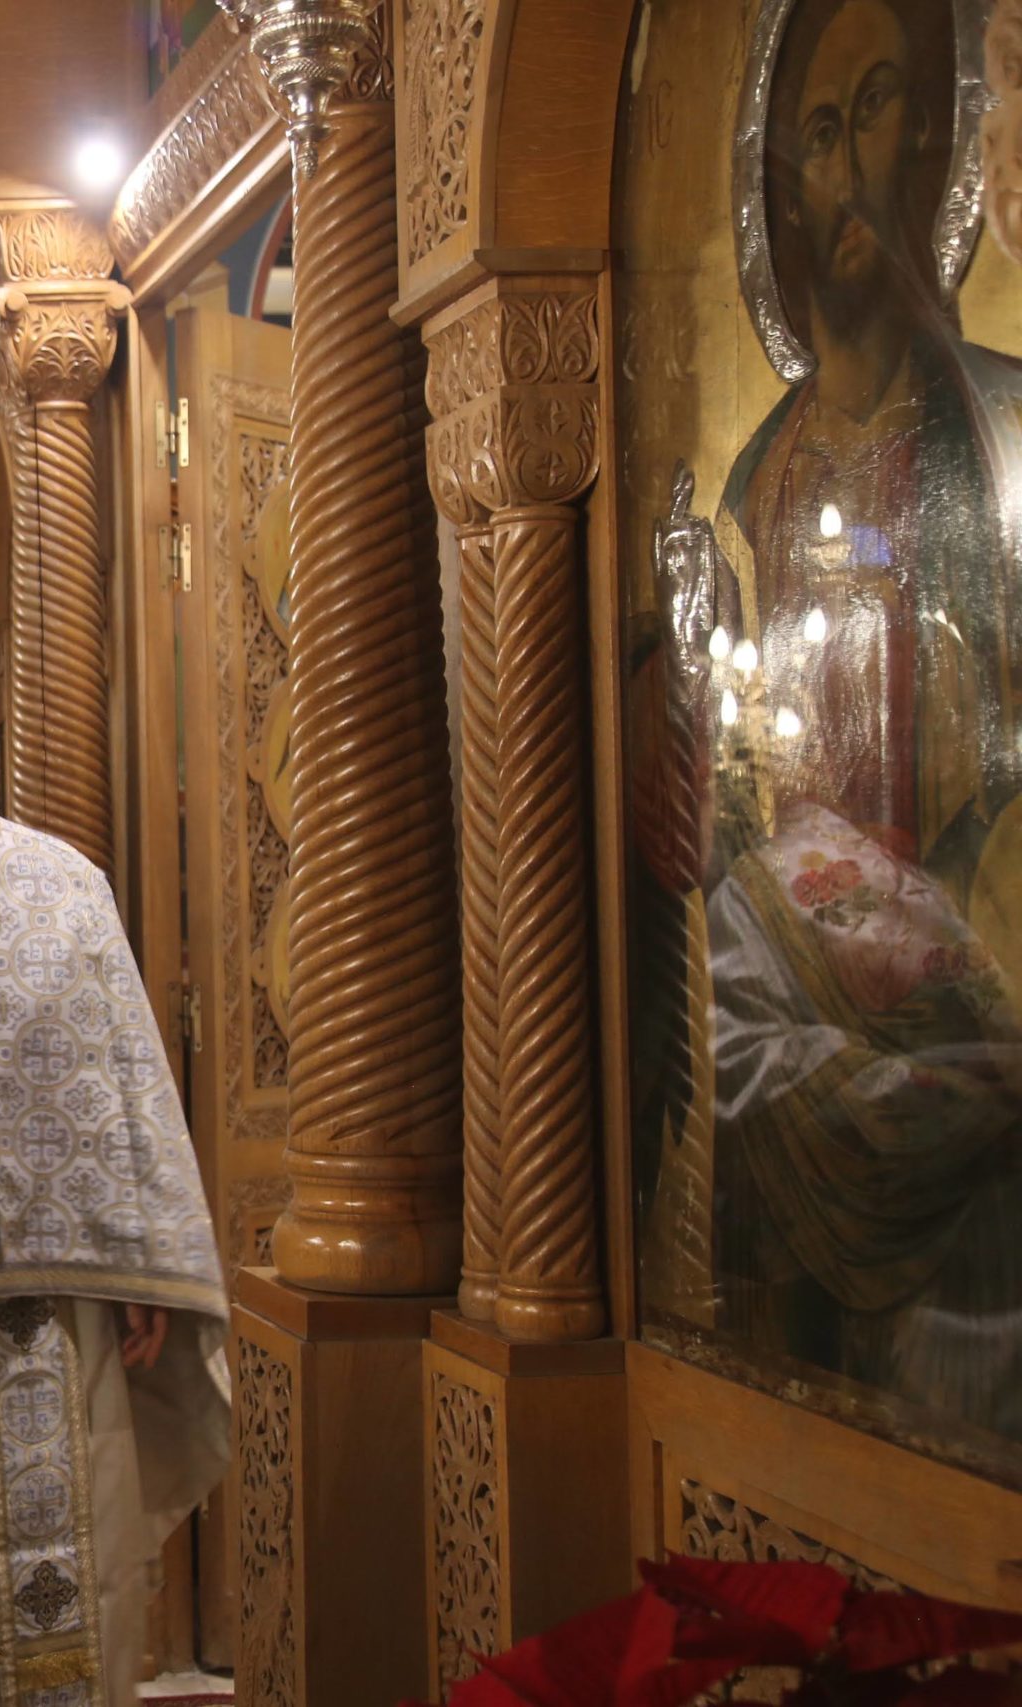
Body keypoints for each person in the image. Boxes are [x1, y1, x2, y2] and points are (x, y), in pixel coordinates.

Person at [628, 0, 1022, 1432]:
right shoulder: (751, 482)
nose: (848, 164)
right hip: (786, 994)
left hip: (963, 976)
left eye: (876, 107)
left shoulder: (999, 429)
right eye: (817, 131)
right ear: (782, 188)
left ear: (930, 137)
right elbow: (718, 791)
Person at [0, 651, 229, 1705]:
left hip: (50, 1311)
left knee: (68, 1564)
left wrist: (142, 1267)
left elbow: (126, 1081)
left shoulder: (64, 884)